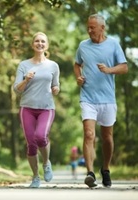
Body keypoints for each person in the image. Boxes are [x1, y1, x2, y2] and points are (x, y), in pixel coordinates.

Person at [73, 14, 128, 188]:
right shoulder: (83, 46)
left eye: (92, 28)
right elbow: (77, 64)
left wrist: (109, 69)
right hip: (88, 97)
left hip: (107, 99)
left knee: (107, 137)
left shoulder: (113, 44)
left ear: (102, 28)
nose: (89, 31)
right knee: (89, 134)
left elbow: (124, 67)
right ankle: (90, 173)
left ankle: (105, 168)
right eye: (88, 27)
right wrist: (79, 77)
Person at [13, 32, 60, 188]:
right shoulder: (24, 65)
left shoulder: (53, 66)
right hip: (27, 108)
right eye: (37, 41)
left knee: (41, 136)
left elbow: (56, 85)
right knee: (31, 144)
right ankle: (35, 177)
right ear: (32, 44)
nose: (40, 43)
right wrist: (26, 80)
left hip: (46, 108)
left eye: (43, 41)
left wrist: (56, 89)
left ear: (46, 45)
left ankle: (46, 163)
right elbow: (16, 89)